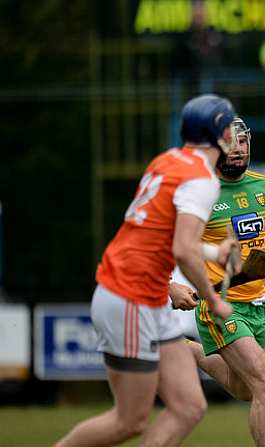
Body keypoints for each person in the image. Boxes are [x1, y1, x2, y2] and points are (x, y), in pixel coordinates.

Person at [56, 94, 238, 447]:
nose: (233, 132)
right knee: (129, 421)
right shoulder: (202, 179)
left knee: (188, 406)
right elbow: (182, 250)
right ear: (218, 132)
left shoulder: (169, 160)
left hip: (147, 297)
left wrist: (216, 251)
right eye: (229, 124)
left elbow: (164, 234)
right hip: (130, 297)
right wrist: (214, 302)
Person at [168, 116, 265, 447]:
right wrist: (170, 285)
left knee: (244, 389)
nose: (238, 149)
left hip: (255, 303)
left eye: (243, 141)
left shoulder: (262, 187)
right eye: (229, 142)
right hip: (218, 305)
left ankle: (181, 349)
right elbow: (159, 245)